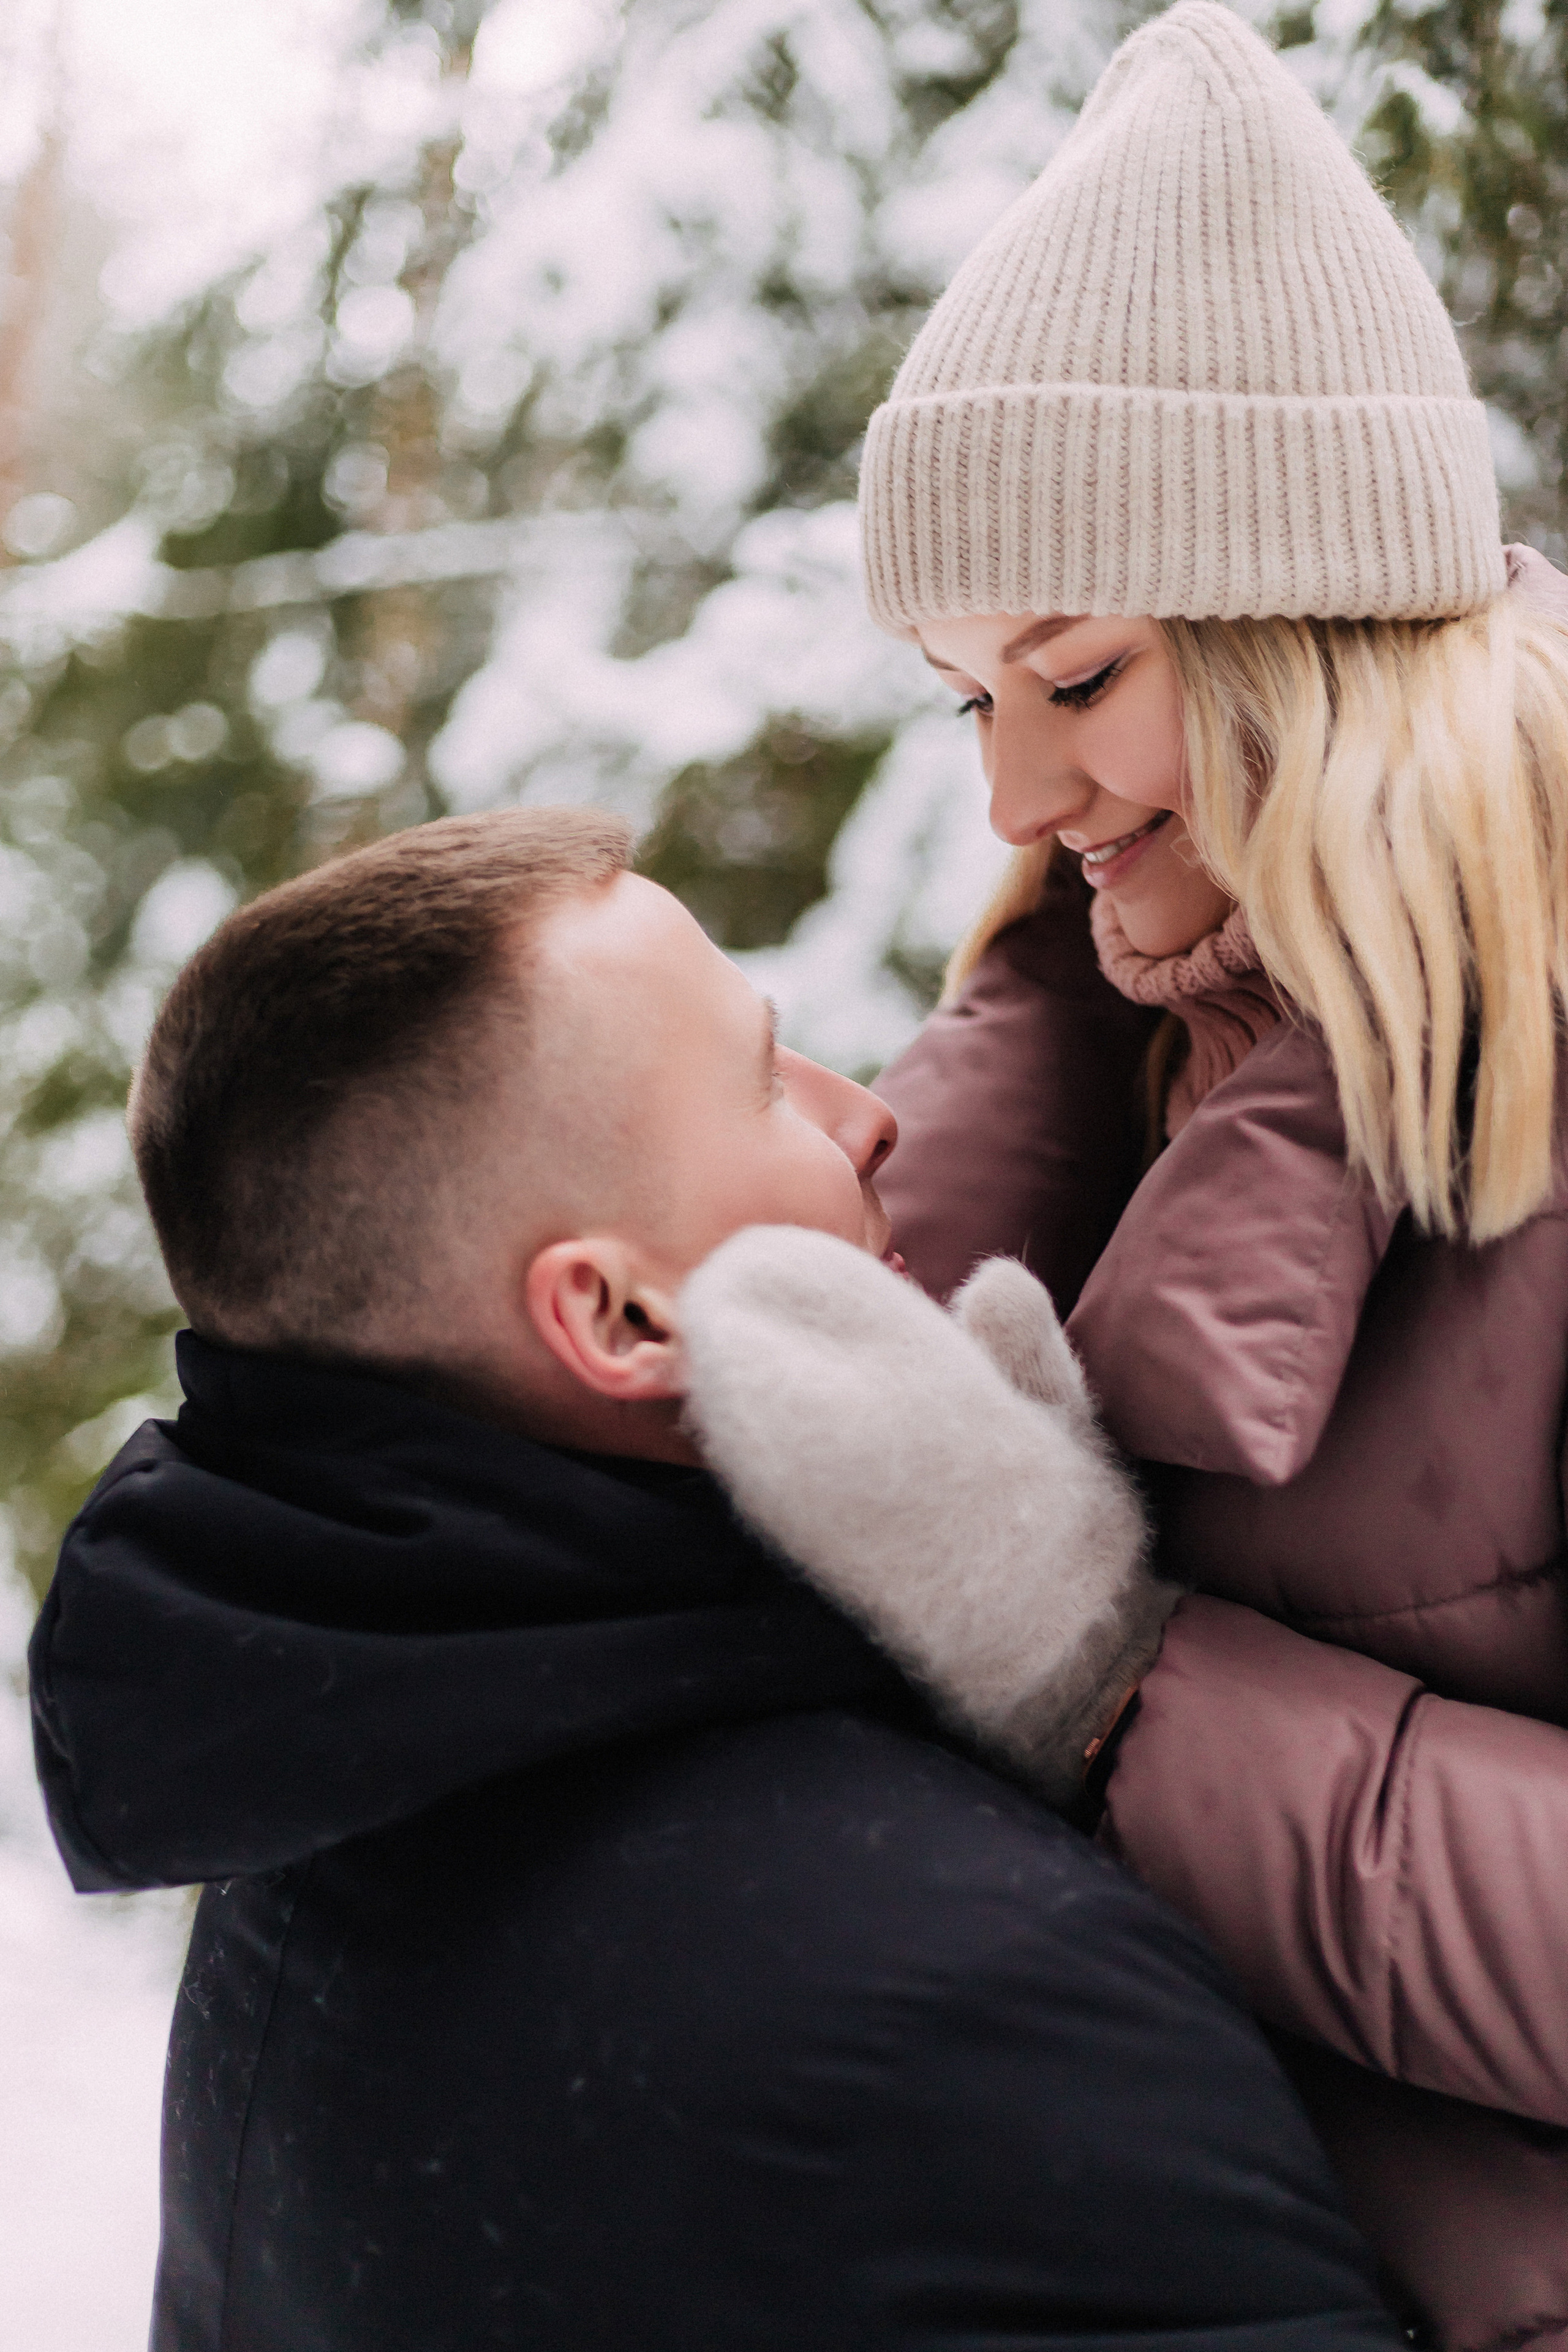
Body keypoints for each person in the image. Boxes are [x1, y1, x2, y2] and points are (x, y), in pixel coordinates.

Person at [29, 809, 1400, 2351]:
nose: (868, 1116)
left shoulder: (316, 1845)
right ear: (617, 1317)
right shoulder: (955, 1976)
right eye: (763, 1080)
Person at [835, 2, 1568, 2343]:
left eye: (1076, 673)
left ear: (1302, 625)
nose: (1015, 798)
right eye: (969, 698)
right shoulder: (1124, 1035)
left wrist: (1117, 1695)